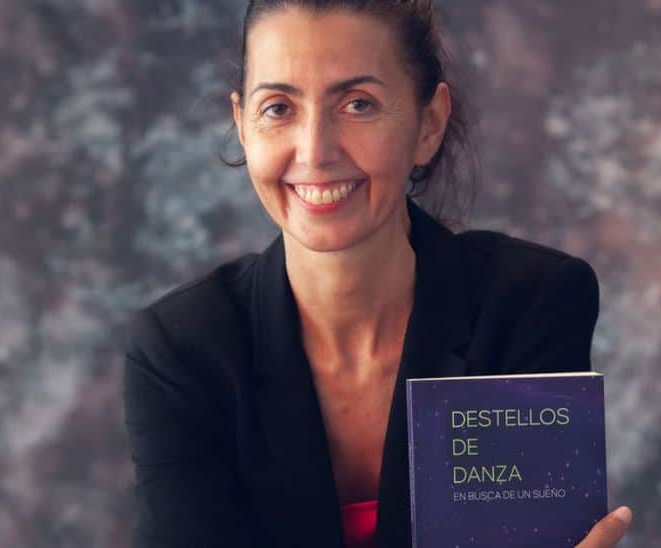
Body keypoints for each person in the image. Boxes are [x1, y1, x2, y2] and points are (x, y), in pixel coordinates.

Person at [121, 1, 634, 546]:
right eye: (278, 108)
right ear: (242, 125)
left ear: (428, 125)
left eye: (358, 104)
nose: (315, 151)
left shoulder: (531, 305)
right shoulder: (181, 349)